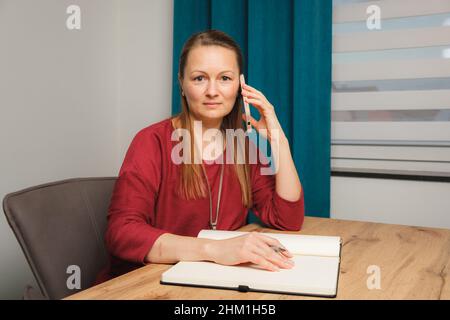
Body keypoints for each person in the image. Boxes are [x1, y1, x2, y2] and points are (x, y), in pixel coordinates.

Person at [95, 29, 304, 284]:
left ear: (241, 85)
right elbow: (122, 233)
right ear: (181, 83)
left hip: (212, 280)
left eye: (225, 78)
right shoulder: (151, 141)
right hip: (147, 283)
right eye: (199, 78)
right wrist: (214, 250)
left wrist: (278, 139)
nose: (213, 91)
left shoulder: (244, 147)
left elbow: (288, 219)